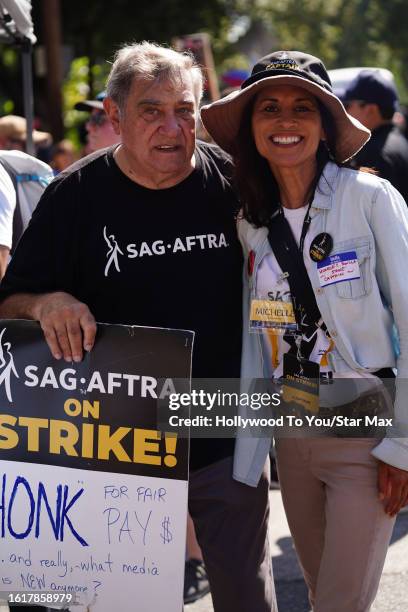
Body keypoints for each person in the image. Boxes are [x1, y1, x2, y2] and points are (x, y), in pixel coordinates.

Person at [0, 42, 275, 612]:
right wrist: (47, 302)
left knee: (247, 596)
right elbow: (9, 303)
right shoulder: (71, 196)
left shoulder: (235, 180)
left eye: (186, 109)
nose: (173, 128)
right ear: (114, 113)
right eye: (152, 111)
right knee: (113, 600)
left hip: (223, 425)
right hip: (115, 441)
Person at [201, 50, 408, 612]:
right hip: (291, 435)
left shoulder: (369, 200)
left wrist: (403, 444)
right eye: (269, 108)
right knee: (321, 596)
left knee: (341, 603)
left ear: (324, 125)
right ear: (252, 129)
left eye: (303, 108)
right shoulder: (251, 224)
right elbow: (256, 338)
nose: (286, 121)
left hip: (366, 433)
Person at [343, 69, 408, 202]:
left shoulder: (375, 153)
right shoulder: (398, 139)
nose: (344, 111)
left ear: (370, 109)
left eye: (347, 105)